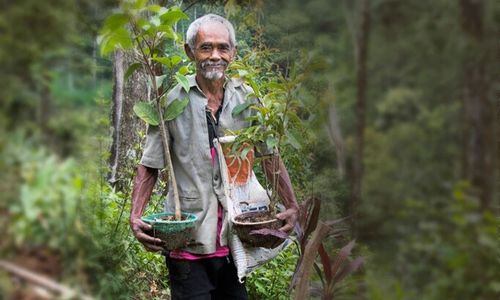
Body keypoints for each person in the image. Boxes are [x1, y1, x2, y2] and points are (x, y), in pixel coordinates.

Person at [129, 14, 298, 300]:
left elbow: (270, 155)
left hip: (236, 239)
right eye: (206, 48)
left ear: (233, 52)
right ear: (189, 52)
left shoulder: (247, 99)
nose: (215, 56)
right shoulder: (170, 103)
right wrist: (135, 216)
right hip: (189, 241)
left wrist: (292, 205)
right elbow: (149, 166)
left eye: (222, 48)